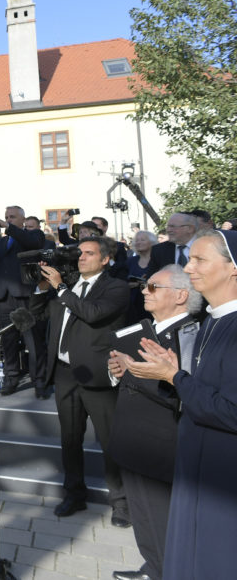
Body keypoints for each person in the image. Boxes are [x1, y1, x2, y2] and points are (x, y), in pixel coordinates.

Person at [122, 229, 237, 580]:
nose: (189, 268)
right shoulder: (212, 322)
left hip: (223, 475)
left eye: (200, 260)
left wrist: (175, 376)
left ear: (233, 267)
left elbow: (231, 410)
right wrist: (168, 373)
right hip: (197, 464)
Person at [107, 265, 200, 580]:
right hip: (132, 438)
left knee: (161, 518)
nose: (144, 291)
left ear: (180, 295)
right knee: (143, 517)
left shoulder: (191, 334)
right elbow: (132, 375)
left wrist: (135, 373)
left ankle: (167, 572)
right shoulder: (144, 329)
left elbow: (182, 391)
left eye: (153, 286)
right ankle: (154, 568)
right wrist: (120, 370)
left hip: (159, 443)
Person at [32, 236, 130, 527]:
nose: (82, 258)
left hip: (98, 374)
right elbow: (38, 313)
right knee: (70, 438)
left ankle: (121, 502)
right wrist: (41, 287)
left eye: (89, 253)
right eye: (80, 253)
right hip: (65, 373)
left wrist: (61, 286)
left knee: (110, 440)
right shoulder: (69, 285)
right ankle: (74, 493)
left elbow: (92, 313)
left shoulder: (116, 287)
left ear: (105, 259)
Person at [0, 205, 47, 396]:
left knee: (32, 340)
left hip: (24, 294)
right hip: (3, 295)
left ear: (22, 220)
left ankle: (39, 380)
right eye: (6, 217)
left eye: (12, 217)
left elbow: (32, 244)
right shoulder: (0, 242)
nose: (8, 219)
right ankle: (11, 378)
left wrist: (9, 228)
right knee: (8, 340)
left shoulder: (33, 235)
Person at [125, 230, 157, 324]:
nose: (138, 242)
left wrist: (145, 284)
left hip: (152, 303)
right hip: (132, 305)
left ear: (152, 242)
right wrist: (129, 285)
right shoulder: (130, 261)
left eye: (142, 240)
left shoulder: (157, 260)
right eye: (137, 240)